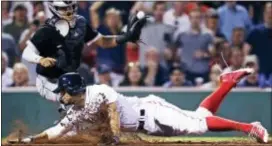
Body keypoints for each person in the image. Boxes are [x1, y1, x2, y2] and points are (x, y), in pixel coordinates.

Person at [9, 69, 269, 144]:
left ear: (74, 89)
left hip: (152, 111)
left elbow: (112, 112)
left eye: (63, 91)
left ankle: (250, 128)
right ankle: (226, 83)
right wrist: (30, 141)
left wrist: (114, 137)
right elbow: (56, 131)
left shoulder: (98, 91)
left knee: (198, 126)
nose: (61, 96)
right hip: (149, 128)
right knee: (199, 116)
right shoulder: (76, 111)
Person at [21, 1, 147, 105]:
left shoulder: (80, 23)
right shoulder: (46, 31)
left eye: (71, 7)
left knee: (86, 108)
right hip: (48, 81)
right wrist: (40, 59)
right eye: (64, 9)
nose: (69, 11)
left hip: (70, 78)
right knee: (72, 106)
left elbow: (102, 41)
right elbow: (26, 53)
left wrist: (124, 37)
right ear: (54, 9)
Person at [175, 9, 213, 84]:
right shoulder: (182, 34)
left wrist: (204, 54)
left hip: (203, 72)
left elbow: (213, 53)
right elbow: (176, 52)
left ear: (201, 19)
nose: (195, 20)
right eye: (193, 17)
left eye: (197, 17)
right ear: (189, 19)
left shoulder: (208, 35)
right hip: (186, 72)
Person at [247, 2, 272, 78]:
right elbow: (246, 52)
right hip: (259, 76)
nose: (270, 15)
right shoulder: (255, 31)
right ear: (264, 14)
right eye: (268, 12)